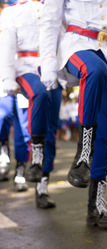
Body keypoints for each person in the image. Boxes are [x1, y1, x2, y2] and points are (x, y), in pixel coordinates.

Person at [39, 0, 107, 229]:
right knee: (94, 69)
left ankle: (97, 207)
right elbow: (50, 20)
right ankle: (83, 154)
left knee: (105, 132)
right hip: (77, 44)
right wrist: (47, 61)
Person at [0, 0, 62, 208]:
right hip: (26, 68)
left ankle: (42, 186)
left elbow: (62, 40)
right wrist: (8, 78)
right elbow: (7, 47)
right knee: (24, 127)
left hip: (52, 69)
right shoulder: (14, 12)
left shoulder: (55, 6)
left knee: (51, 131)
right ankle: (30, 161)